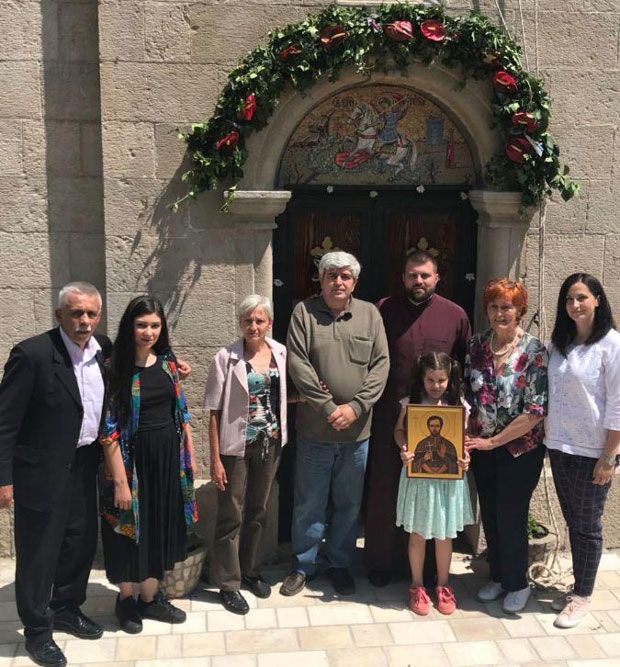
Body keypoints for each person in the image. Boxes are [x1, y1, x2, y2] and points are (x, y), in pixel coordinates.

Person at [0, 283, 108, 667]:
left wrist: (174, 362)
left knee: (79, 541)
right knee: (39, 552)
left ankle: (66, 607)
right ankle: (37, 630)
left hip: (85, 464)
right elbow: (5, 422)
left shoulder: (102, 350)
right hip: (41, 472)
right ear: (59, 314)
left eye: (91, 313)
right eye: (76, 313)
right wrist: (4, 478)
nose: (84, 321)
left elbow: (143, 354)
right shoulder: (32, 354)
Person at [281, 251, 389, 597]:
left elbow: (381, 365)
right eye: (331, 275)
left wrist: (356, 407)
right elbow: (298, 364)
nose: (338, 282)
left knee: (348, 504)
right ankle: (304, 564)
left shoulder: (370, 314)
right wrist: (328, 406)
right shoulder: (304, 313)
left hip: (357, 433)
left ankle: (340, 564)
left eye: (345, 276)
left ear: (354, 282)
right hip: (315, 429)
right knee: (309, 502)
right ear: (321, 279)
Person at [364, 249, 471, 586]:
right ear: (403, 278)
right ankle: (381, 563)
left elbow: (464, 369)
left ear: (437, 277)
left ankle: (428, 572)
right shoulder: (383, 310)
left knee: (431, 494)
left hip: (439, 421)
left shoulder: (455, 315)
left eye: (425, 275)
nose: (419, 281)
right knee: (386, 489)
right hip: (391, 416)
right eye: (412, 275)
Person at [99, 296, 197, 634]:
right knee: (126, 530)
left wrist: (188, 458)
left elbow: (179, 411)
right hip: (130, 466)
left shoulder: (168, 364)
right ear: (129, 326)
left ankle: (150, 598)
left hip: (166, 462)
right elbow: (108, 430)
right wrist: (120, 482)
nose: (148, 332)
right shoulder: (114, 369)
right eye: (141, 325)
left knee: (158, 526)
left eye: (155, 325)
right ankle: (126, 599)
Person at [464, 278, 548, 614]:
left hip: (519, 450)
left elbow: (535, 411)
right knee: (490, 512)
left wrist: (494, 441)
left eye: (507, 307)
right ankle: (498, 576)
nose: (500, 313)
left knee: (511, 514)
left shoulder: (533, 351)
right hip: (482, 448)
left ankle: (518, 583)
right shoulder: (476, 345)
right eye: (494, 306)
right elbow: (467, 394)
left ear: (520, 311)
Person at [204, 295, 288, 615]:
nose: (253, 326)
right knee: (231, 515)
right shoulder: (225, 358)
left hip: (270, 443)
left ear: (269, 324)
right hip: (235, 447)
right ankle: (228, 583)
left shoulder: (280, 352)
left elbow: (277, 395)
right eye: (247, 320)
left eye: (259, 320)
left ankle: (250, 570)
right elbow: (213, 412)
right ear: (240, 323)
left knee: (257, 510)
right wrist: (215, 459)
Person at [545, 273, 620, 628]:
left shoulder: (611, 345)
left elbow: (618, 406)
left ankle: (583, 596)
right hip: (559, 446)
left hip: (593, 452)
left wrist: (609, 456)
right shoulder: (559, 343)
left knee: (587, 526)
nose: (574, 305)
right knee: (574, 523)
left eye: (581, 298)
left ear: (597, 300)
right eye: (569, 299)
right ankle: (578, 586)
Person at [394, 352, 473, 615]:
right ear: (422, 378)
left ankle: (443, 585)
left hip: (448, 482)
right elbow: (399, 430)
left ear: (450, 379)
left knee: (444, 534)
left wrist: (465, 457)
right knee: (417, 533)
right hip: (419, 479)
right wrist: (404, 447)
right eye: (430, 380)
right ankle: (416, 586)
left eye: (441, 380)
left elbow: (463, 440)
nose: (436, 385)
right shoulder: (412, 403)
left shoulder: (458, 405)